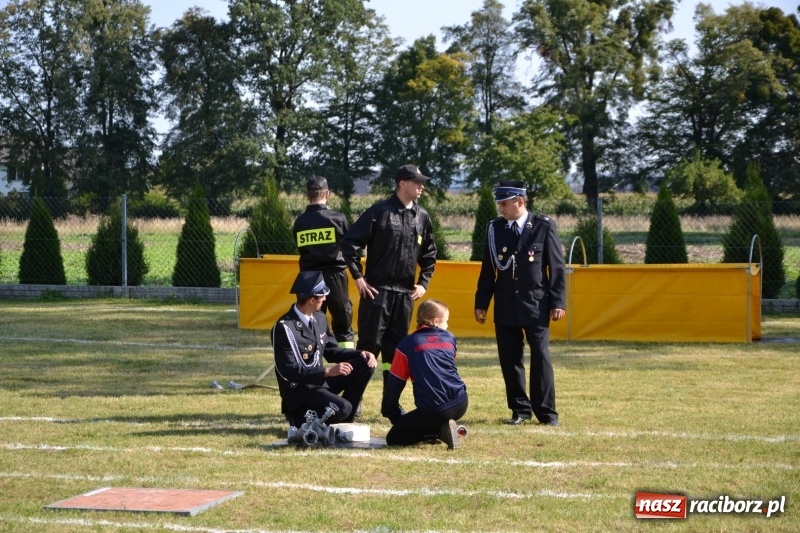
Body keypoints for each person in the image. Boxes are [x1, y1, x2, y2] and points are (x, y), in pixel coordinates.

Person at [341, 164, 437, 414]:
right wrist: (358, 277)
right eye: (416, 182)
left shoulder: (422, 216)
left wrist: (423, 283)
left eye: (422, 182)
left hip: (405, 295)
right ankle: (353, 400)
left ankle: (390, 404)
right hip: (377, 292)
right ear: (402, 183)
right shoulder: (380, 212)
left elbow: (429, 254)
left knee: (395, 351)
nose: (421, 186)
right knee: (368, 346)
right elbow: (349, 244)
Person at [474, 180, 566, 426]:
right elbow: (488, 269)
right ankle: (520, 410)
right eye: (500, 204)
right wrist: (482, 302)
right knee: (509, 358)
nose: (501, 209)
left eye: (505, 204)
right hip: (505, 302)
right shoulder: (495, 228)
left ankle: (546, 413)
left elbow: (556, 268)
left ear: (520, 201)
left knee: (541, 357)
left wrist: (558, 301)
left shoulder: (543, 226)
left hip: (536, 303)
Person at [271, 271, 377, 426]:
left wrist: (361, 353)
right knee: (344, 407)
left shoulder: (319, 317)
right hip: (300, 391)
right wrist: (327, 372)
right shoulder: (284, 328)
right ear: (311, 300)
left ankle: (344, 418)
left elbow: (331, 351)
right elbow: (288, 371)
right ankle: (301, 417)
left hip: (320, 383)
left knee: (365, 364)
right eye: (322, 296)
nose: (325, 299)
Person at [382, 299, 468, 449]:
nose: (447, 326)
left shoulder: (407, 344)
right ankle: (441, 424)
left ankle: (439, 432)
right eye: (446, 321)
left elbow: (395, 383)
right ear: (436, 321)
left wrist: (391, 411)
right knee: (431, 416)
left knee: (394, 437)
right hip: (461, 402)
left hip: (434, 409)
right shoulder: (450, 338)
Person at [292, 176, 355, 347]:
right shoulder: (338, 218)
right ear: (327, 194)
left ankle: (312, 358)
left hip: (308, 278)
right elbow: (351, 246)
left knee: (310, 321)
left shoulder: (299, 222)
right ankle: (346, 358)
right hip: (335, 275)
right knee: (343, 321)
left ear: (308, 196)